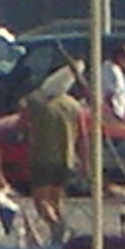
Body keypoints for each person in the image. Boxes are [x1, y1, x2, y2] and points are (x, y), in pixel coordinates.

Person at [21, 64, 85, 239]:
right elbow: (83, 136)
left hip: (42, 156)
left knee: (41, 201)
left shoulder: (36, 103)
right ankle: (58, 233)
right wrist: (85, 162)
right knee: (57, 200)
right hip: (66, 158)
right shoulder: (74, 106)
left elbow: (22, 123)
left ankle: (56, 226)